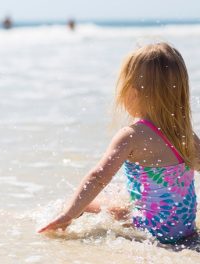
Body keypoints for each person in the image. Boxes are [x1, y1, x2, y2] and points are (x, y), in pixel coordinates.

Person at [38, 42, 200, 244]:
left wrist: (69, 215)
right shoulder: (185, 134)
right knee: (118, 194)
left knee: (83, 204)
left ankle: (62, 216)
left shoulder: (131, 135)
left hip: (152, 231)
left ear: (132, 93)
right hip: (184, 229)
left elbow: (98, 177)